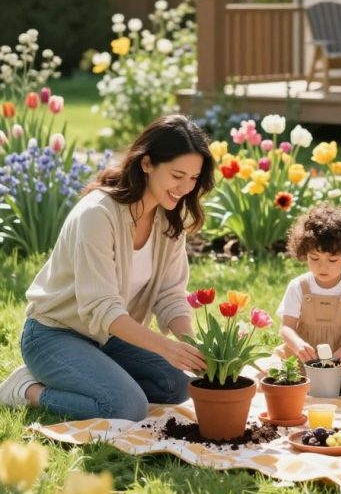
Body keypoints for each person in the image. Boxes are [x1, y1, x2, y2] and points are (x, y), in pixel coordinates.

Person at [0, 114, 215, 421]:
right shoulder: (97, 215)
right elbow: (101, 307)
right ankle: (26, 389)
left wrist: (190, 346)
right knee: (126, 407)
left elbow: (170, 294)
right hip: (53, 335)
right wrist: (165, 348)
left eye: (193, 179)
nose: (185, 187)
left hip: (108, 338)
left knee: (178, 386)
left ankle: (89, 373)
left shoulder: (169, 220)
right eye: (177, 175)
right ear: (147, 164)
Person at [273, 203, 341, 394]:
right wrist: (298, 345)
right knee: (267, 371)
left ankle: (335, 384)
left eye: (332, 260)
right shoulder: (299, 286)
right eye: (314, 258)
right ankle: (309, 383)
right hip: (304, 356)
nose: (322, 267)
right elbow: (286, 327)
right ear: (304, 254)